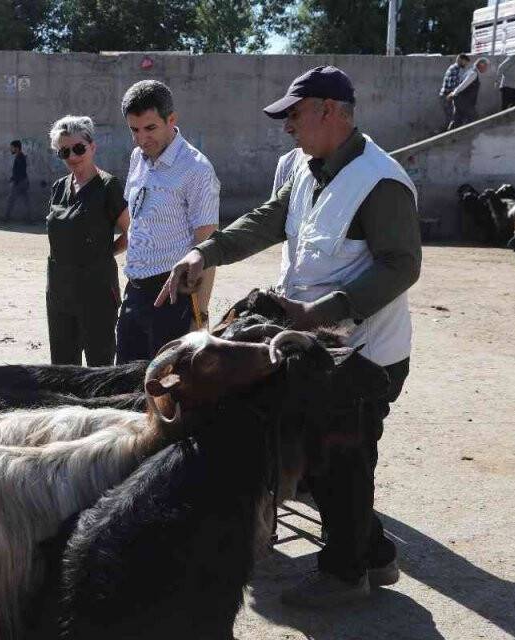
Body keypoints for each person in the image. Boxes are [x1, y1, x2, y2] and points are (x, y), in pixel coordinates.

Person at [160, 66, 421, 608]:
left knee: (342, 457)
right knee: (318, 454)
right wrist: (204, 252)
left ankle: (347, 573)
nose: (287, 128)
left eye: (294, 115)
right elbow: (268, 219)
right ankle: (373, 553)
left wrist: (322, 311)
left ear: (330, 111)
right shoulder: (309, 168)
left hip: (364, 353)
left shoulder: (381, 181)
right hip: (314, 347)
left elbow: (401, 267)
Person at [118, 80, 219, 364]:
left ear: (171, 120)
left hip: (174, 298)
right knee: (124, 389)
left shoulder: (196, 170)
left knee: (166, 394)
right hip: (134, 292)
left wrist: (200, 317)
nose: (141, 139)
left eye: (150, 128)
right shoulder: (137, 157)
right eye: (134, 130)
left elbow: (208, 247)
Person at [45, 115, 131, 366]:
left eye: (79, 148)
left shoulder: (108, 186)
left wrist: (105, 253)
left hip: (97, 291)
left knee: (99, 364)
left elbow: (130, 231)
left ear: (92, 147)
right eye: (64, 152)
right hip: (60, 290)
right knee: (62, 367)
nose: (72, 156)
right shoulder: (59, 187)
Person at [447, 57, 490, 130]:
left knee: (457, 120)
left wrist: (454, 94)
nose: (486, 69)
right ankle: (470, 138)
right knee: (473, 118)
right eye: (486, 66)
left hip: (460, 100)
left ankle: (449, 135)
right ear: (481, 65)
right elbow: (464, 84)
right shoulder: (473, 74)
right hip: (463, 101)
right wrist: (454, 93)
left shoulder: (470, 71)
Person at [438, 54, 470, 131]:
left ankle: (447, 136)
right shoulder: (455, 69)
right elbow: (451, 86)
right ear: (460, 60)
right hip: (447, 96)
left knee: (452, 119)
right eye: (465, 62)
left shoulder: (456, 68)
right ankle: (447, 138)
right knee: (452, 119)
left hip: (448, 96)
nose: (466, 65)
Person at [4, 140, 30, 218]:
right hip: (23, 181)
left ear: (17, 148)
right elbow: (19, 170)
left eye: (12, 148)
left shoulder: (20, 157)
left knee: (11, 200)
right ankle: (29, 218)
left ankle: (6, 218)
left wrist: (15, 181)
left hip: (20, 182)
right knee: (25, 200)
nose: (11, 149)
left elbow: (20, 171)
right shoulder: (20, 156)